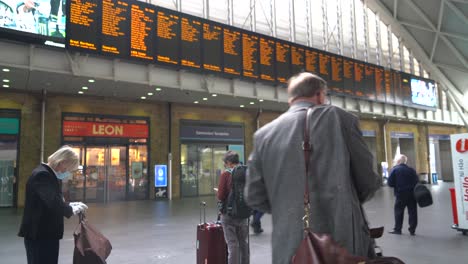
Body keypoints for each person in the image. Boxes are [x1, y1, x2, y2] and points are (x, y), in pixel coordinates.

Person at [245, 72, 381, 264]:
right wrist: (344, 202)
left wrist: (288, 208)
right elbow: (368, 180)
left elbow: (253, 196)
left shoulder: (264, 135)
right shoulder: (341, 119)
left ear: (291, 98)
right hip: (342, 245)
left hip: (289, 249)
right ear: (319, 95)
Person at [18, 145, 88, 264]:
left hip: (45, 234)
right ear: (62, 162)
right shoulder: (42, 175)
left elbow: (52, 200)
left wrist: (71, 204)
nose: (68, 173)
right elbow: (52, 202)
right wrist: (71, 209)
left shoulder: (48, 175)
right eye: (68, 169)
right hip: (40, 236)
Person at [217, 151, 249, 264]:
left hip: (229, 215)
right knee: (243, 243)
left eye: (225, 163)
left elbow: (221, 196)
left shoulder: (226, 174)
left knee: (232, 245)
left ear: (229, 163)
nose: (225, 166)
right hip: (244, 213)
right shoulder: (246, 172)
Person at [387, 154, 419, 235]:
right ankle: (412, 230)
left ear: (398, 161)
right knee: (412, 212)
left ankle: (398, 229)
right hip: (412, 194)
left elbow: (390, 183)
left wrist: (397, 185)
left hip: (400, 194)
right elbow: (417, 181)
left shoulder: (395, 170)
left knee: (399, 211)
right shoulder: (411, 170)